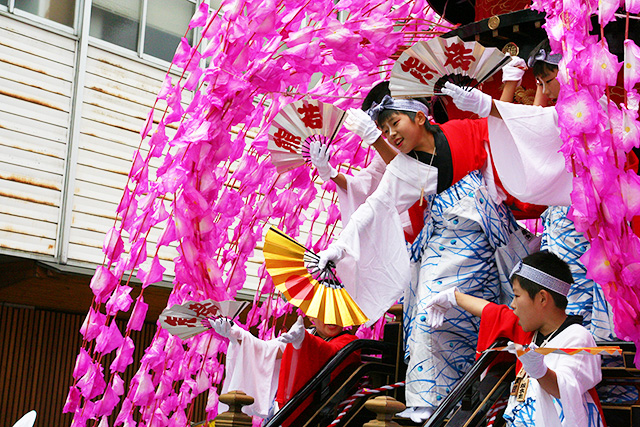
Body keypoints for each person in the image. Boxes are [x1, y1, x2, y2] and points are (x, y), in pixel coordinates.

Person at [312, 87, 535, 421]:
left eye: (393, 123)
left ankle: (453, 396)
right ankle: (430, 401)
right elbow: (375, 202)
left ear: (419, 115)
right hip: (439, 242)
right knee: (424, 317)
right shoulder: (402, 164)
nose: (389, 134)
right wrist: (340, 246)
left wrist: (497, 97)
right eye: (383, 129)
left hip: (481, 238)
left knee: (448, 315)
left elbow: (509, 143)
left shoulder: (463, 131)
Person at [442, 40, 618, 341]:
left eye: (547, 81)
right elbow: (539, 126)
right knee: (568, 303)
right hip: (568, 219)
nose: (546, 90)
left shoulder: (590, 108)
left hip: (589, 223)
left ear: (567, 74)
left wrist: (488, 105)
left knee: (586, 305)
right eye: (540, 82)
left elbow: (540, 123)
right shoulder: (574, 109)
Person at [424, 251, 604, 426]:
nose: (513, 304)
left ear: (542, 298)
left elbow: (565, 388)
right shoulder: (530, 332)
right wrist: (453, 297)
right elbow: (492, 312)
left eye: (517, 296)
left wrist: (539, 369)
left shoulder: (578, 338)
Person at [212, 315, 359, 425]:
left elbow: (329, 351)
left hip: (322, 414)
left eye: (337, 312)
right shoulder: (301, 332)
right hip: (288, 409)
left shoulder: (350, 342)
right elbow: (265, 350)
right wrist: (237, 335)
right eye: (325, 311)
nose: (332, 317)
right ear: (312, 315)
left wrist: (304, 341)